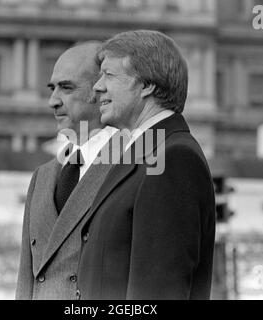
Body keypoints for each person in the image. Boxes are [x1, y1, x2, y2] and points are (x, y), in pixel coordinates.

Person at [76, 30, 216, 300]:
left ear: (147, 85)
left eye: (109, 75)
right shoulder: (146, 152)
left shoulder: (174, 159)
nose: (97, 87)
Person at [16, 42, 117, 299]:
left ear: (102, 90)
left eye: (66, 88)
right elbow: (27, 278)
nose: (53, 101)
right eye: (52, 88)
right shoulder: (43, 177)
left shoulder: (132, 167)